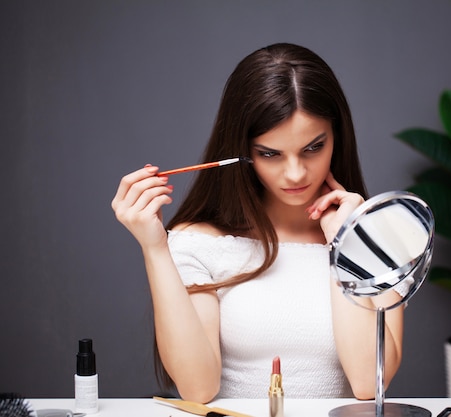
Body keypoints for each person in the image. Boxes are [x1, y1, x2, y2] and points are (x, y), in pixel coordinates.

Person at [111, 43, 405, 402]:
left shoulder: (376, 237)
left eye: (313, 147)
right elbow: (197, 388)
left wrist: (346, 241)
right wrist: (155, 249)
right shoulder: (201, 242)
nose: (296, 173)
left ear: (337, 137)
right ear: (242, 152)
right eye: (270, 153)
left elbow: (367, 382)